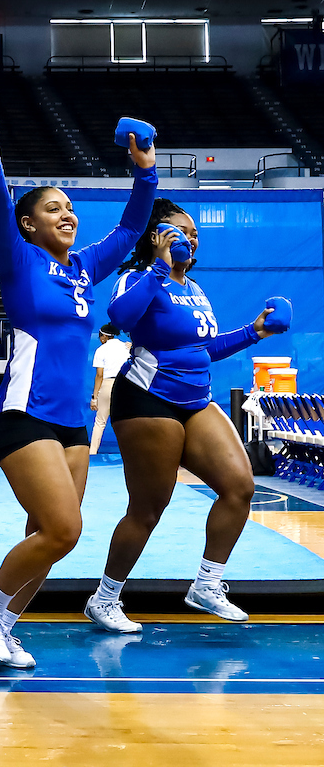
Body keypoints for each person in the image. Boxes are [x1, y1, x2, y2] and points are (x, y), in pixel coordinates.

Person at [0, 88, 157, 668]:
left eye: (70, 207)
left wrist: (144, 171)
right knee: (64, 530)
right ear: (28, 224)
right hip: (24, 418)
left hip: (70, 425)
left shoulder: (84, 270)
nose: (66, 214)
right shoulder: (19, 260)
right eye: (51, 208)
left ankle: (6, 622)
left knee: (46, 534)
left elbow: (130, 228)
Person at [84, 200, 289, 632]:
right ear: (156, 238)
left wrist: (256, 331)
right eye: (179, 231)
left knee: (239, 486)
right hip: (147, 400)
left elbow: (204, 349)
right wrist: (159, 267)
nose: (190, 238)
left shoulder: (194, 288)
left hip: (197, 400)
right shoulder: (137, 278)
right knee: (148, 509)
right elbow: (119, 318)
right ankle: (105, 599)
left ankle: (207, 585)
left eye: (194, 233)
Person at [89, 323, 131, 454]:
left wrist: (94, 397)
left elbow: (99, 375)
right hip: (125, 384)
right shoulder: (126, 347)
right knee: (127, 421)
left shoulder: (101, 350)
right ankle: (130, 452)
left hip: (108, 384)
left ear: (104, 337)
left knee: (100, 421)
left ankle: (92, 452)